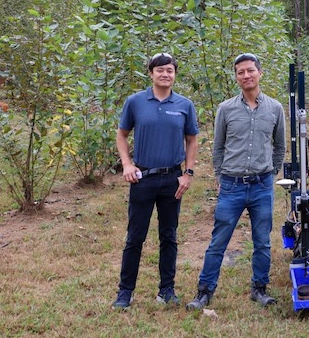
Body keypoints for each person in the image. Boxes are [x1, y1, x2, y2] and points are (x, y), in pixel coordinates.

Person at [186, 53, 285, 310]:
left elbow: (279, 146)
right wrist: (220, 176)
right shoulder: (226, 109)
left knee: (262, 241)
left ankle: (259, 288)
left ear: (260, 73)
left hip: (262, 185)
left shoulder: (275, 108)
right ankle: (204, 291)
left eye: (250, 70)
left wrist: (271, 172)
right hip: (232, 185)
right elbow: (218, 147)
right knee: (219, 240)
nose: (246, 76)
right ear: (236, 77)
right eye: (240, 72)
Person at [112, 53, 199, 310]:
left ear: (174, 74)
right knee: (135, 237)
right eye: (160, 70)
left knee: (169, 236)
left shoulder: (184, 105)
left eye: (170, 70)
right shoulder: (135, 102)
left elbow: (192, 140)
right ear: (151, 73)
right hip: (143, 180)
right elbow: (122, 135)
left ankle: (167, 290)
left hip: (173, 179)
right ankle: (125, 292)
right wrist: (127, 164)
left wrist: (188, 172)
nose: (165, 74)